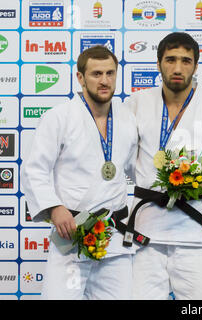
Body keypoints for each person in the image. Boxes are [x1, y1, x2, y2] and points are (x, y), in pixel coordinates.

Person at [126, 32, 202, 300]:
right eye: (170, 60)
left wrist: (201, 182)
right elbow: (119, 155)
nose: (177, 68)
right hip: (146, 234)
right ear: (158, 64)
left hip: (194, 233)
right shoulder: (136, 104)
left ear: (196, 65)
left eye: (185, 60)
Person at [21, 45, 138, 300]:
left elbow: (137, 170)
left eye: (110, 73)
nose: (104, 81)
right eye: (96, 74)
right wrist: (53, 208)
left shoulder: (128, 119)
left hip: (114, 239)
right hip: (71, 236)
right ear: (80, 77)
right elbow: (34, 169)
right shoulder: (59, 117)